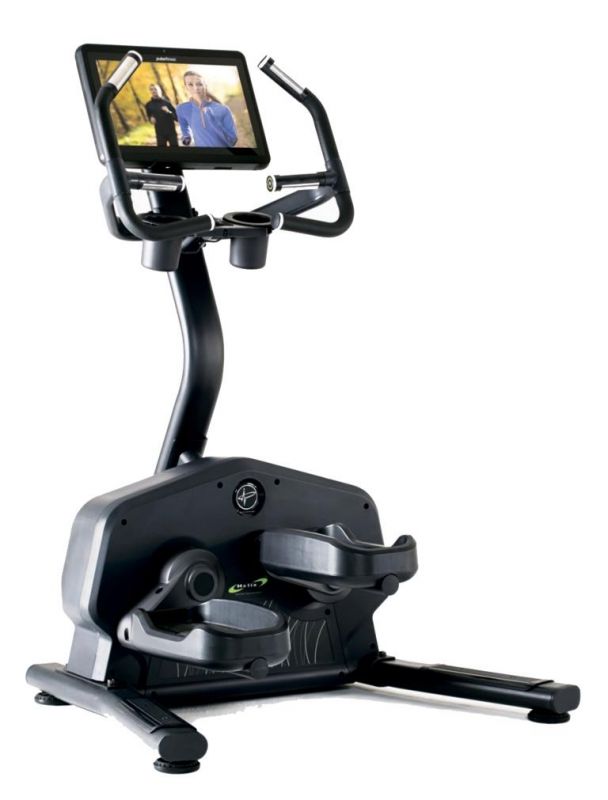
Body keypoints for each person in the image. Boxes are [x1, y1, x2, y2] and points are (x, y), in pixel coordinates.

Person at [176, 71, 238, 147]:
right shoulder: (182, 109)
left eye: (199, 84)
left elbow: (233, 140)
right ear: (186, 87)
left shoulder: (223, 109)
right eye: (190, 84)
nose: (195, 88)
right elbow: (184, 126)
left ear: (205, 86)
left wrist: (211, 118)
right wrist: (186, 136)